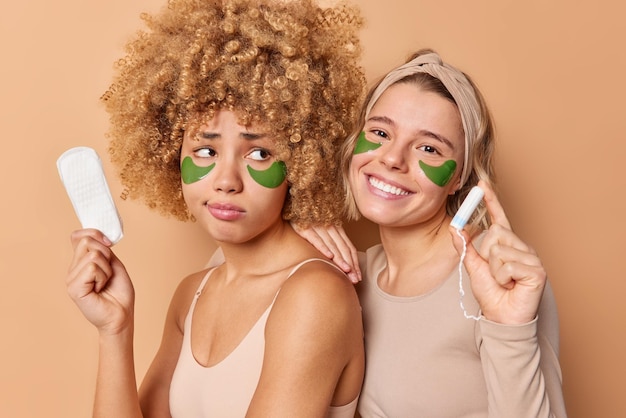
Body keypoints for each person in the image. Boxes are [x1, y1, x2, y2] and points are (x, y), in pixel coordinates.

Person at [64, 0, 367, 416]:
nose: (226, 180)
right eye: (205, 150)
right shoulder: (193, 292)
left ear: (301, 162)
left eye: (259, 153)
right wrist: (114, 329)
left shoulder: (315, 296)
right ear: (173, 153)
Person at [295, 49, 568, 417]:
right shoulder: (348, 273)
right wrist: (290, 223)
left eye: (428, 147)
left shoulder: (496, 272)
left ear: (459, 179)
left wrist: (511, 329)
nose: (393, 158)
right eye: (380, 132)